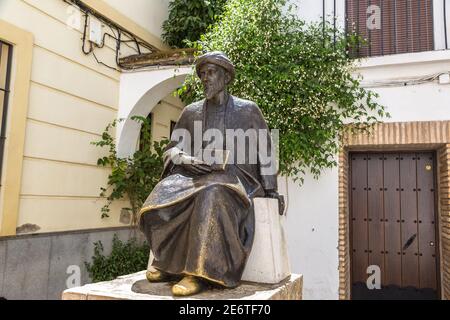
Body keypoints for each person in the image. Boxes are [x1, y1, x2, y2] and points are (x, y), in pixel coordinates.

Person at [139, 51, 284, 296]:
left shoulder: (248, 110)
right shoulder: (191, 112)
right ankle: (168, 263)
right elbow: (171, 149)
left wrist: (271, 189)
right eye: (202, 74)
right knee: (164, 192)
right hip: (196, 175)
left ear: (226, 77)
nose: (205, 78)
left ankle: (197, 272)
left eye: (211, 73)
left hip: (238, 178)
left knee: (212, 193)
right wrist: (185, 159)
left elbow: (267, 150)